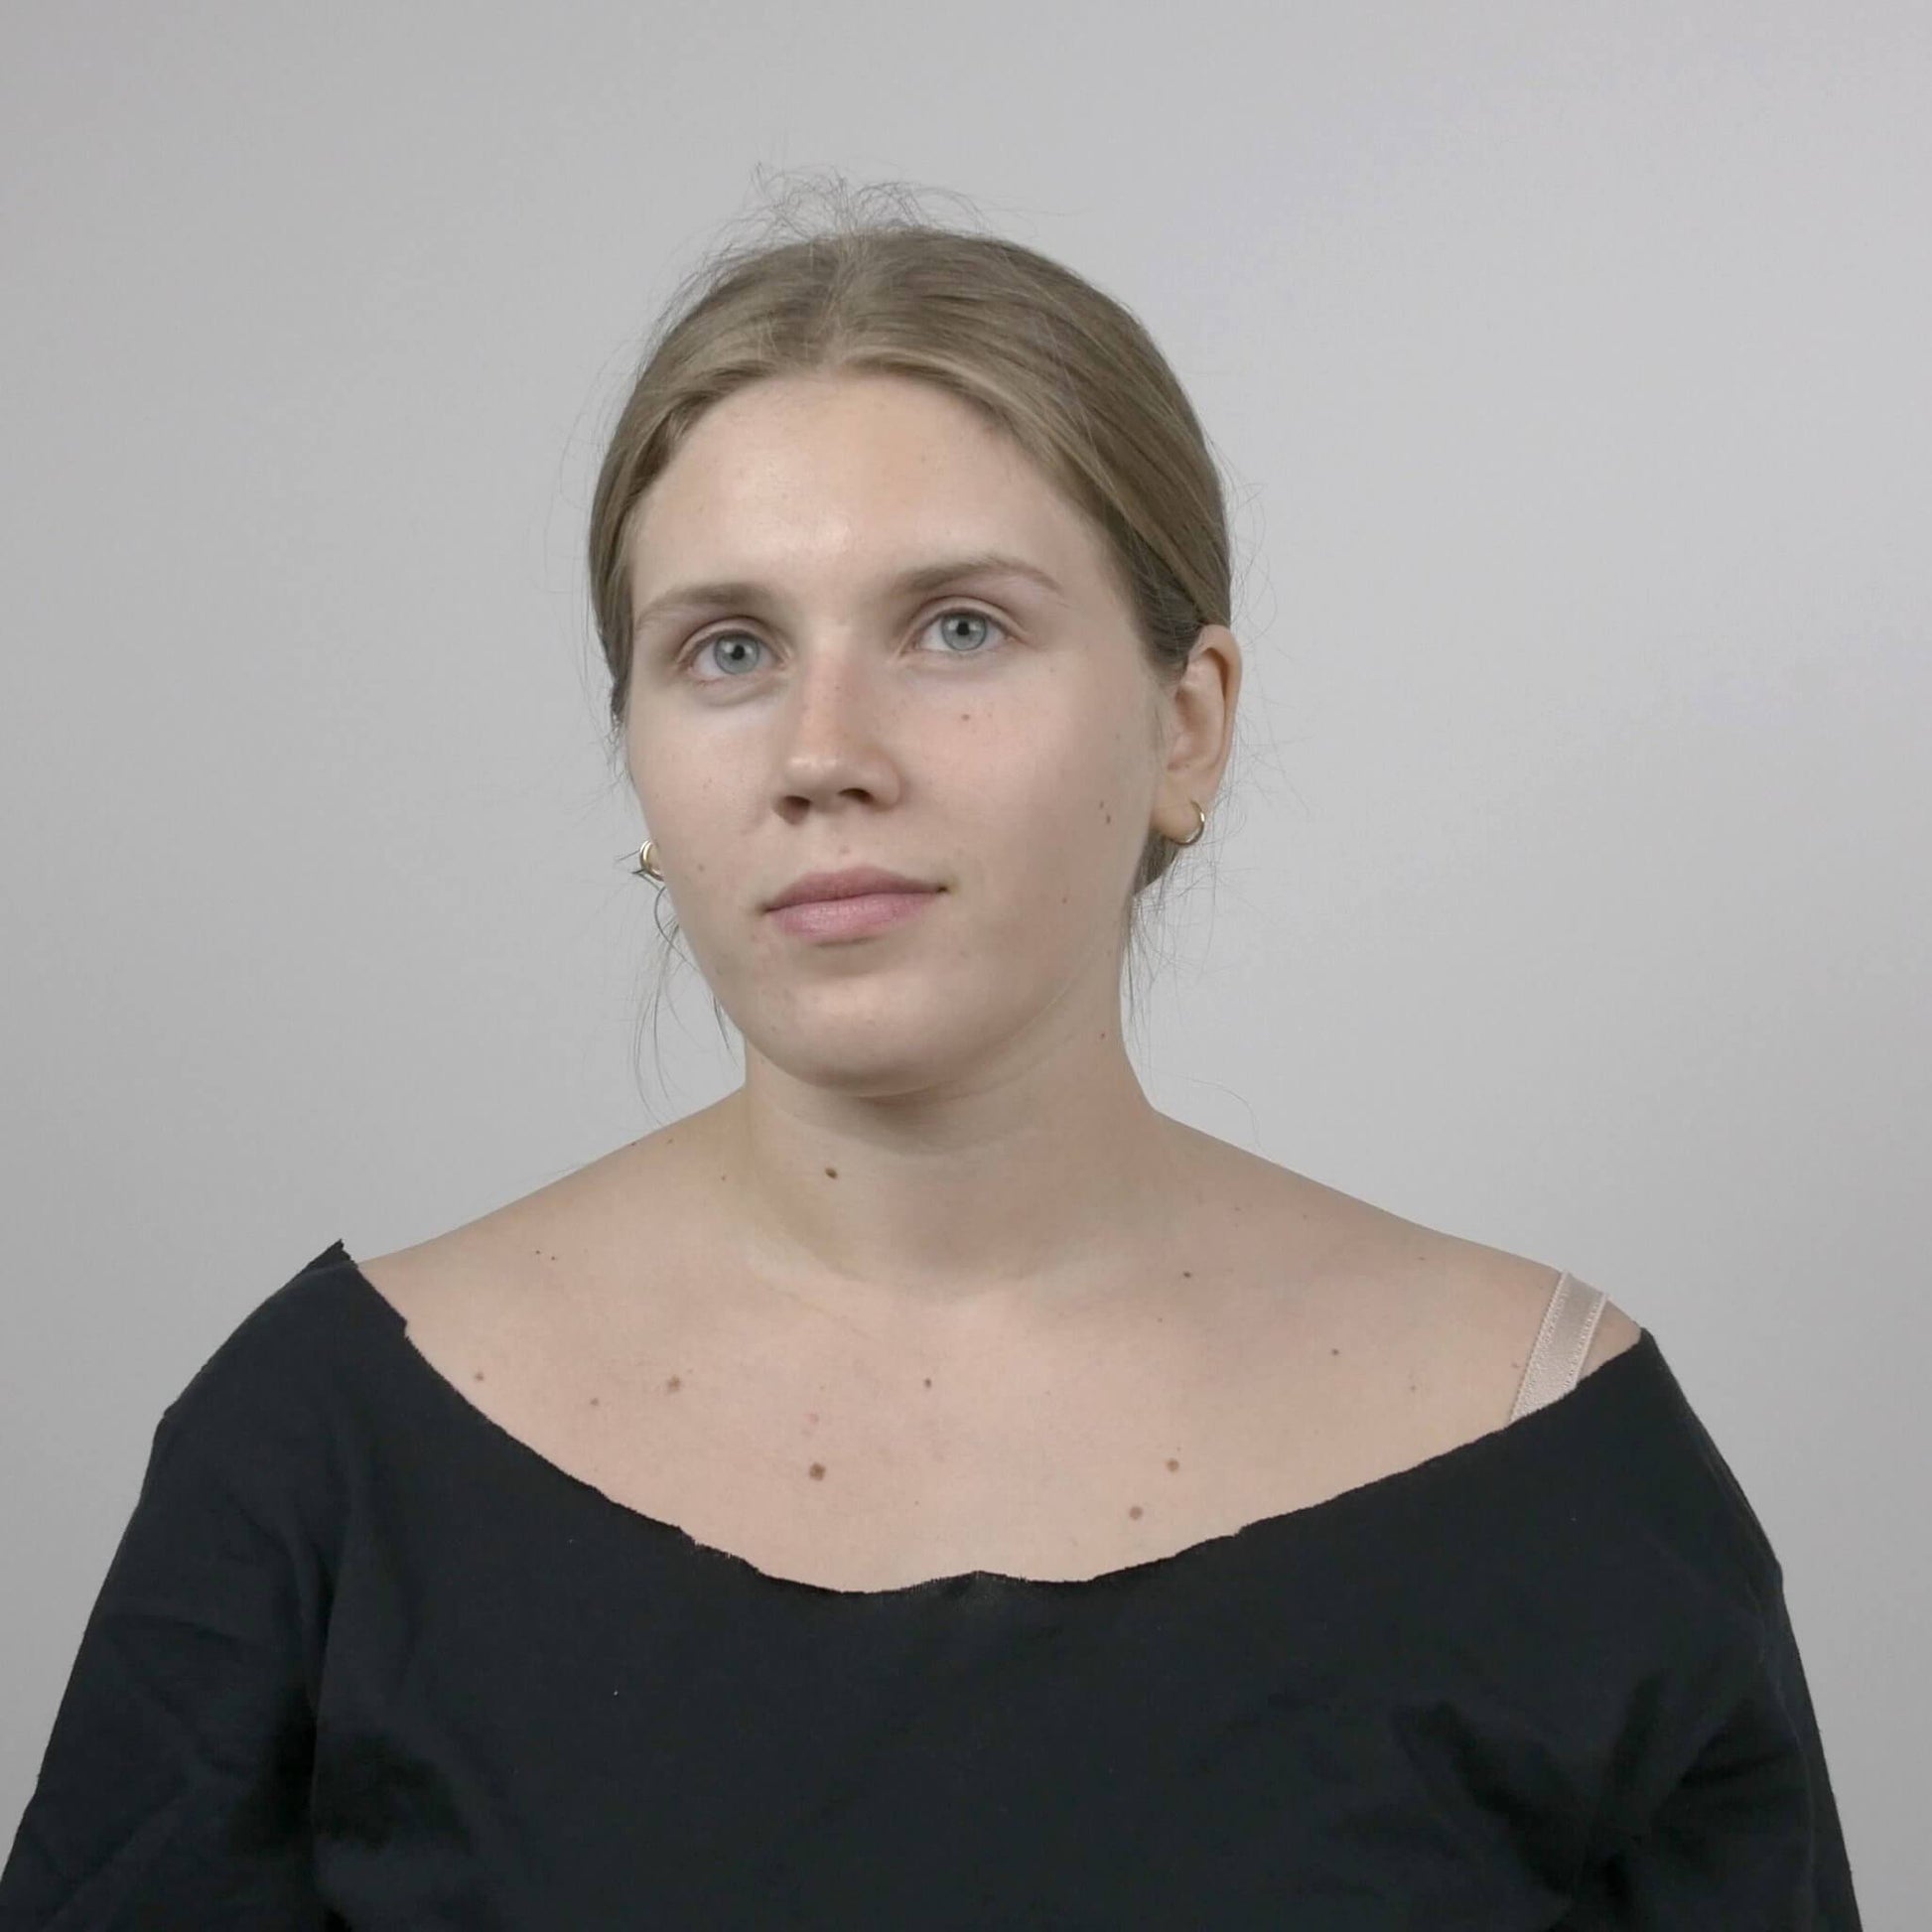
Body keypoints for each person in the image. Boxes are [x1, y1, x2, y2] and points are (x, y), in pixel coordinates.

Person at [0, 185, 1861, 1927]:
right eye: (727, 649)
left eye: (956, 627)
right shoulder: (326, 1456)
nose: (823, 750)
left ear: (1187, 726)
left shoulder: (1555, 1465)